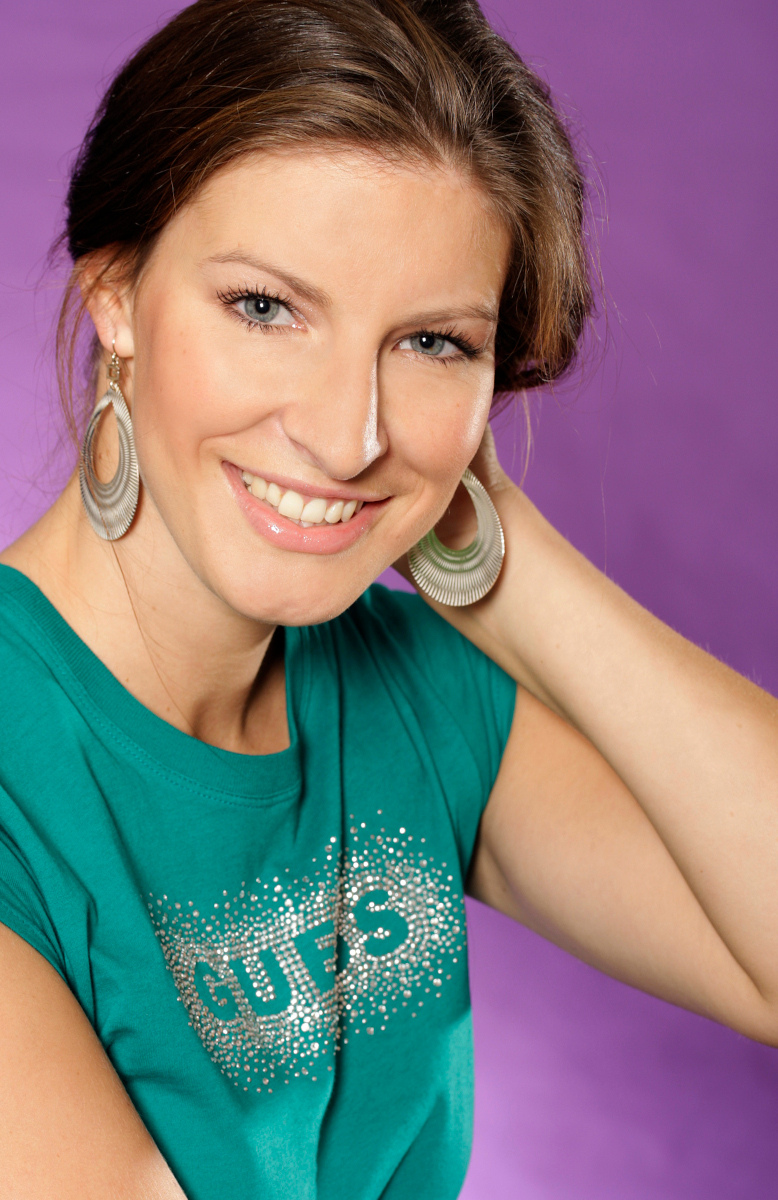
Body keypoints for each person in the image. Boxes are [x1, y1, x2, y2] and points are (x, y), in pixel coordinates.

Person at [0, 0, 776, 1196]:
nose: (347, 434)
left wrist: (503, 569)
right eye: (265, 308)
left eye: (433, 344)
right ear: (116, 297)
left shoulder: (413, 689)